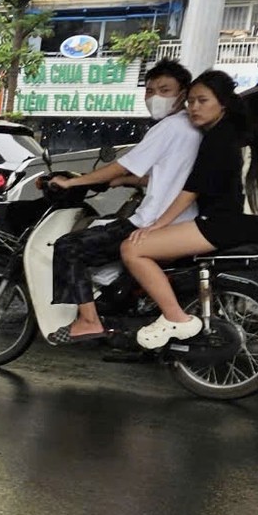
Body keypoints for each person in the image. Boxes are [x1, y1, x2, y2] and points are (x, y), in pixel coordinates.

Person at [44, 59, 199, 342]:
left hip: (154, 221)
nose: (155, 97)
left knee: (69, 247)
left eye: (164, 90)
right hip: (184, 221)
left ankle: (88, 320)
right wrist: (124, 182)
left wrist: (73, 181)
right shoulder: (192, 128)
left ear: (182, 94)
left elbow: (124, 163)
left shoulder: (169, 127)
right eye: (150, 90)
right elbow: (168, 175)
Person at [121, 69, 258, 348]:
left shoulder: (218, 137)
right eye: (190, 101)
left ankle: (175, 317)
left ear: (223, 102)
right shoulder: (243, 132)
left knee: (133, 249)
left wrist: (158, 224)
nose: (194, 107)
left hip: (226, 223)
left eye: (202, 101)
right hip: (254, 222)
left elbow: (192, 189)